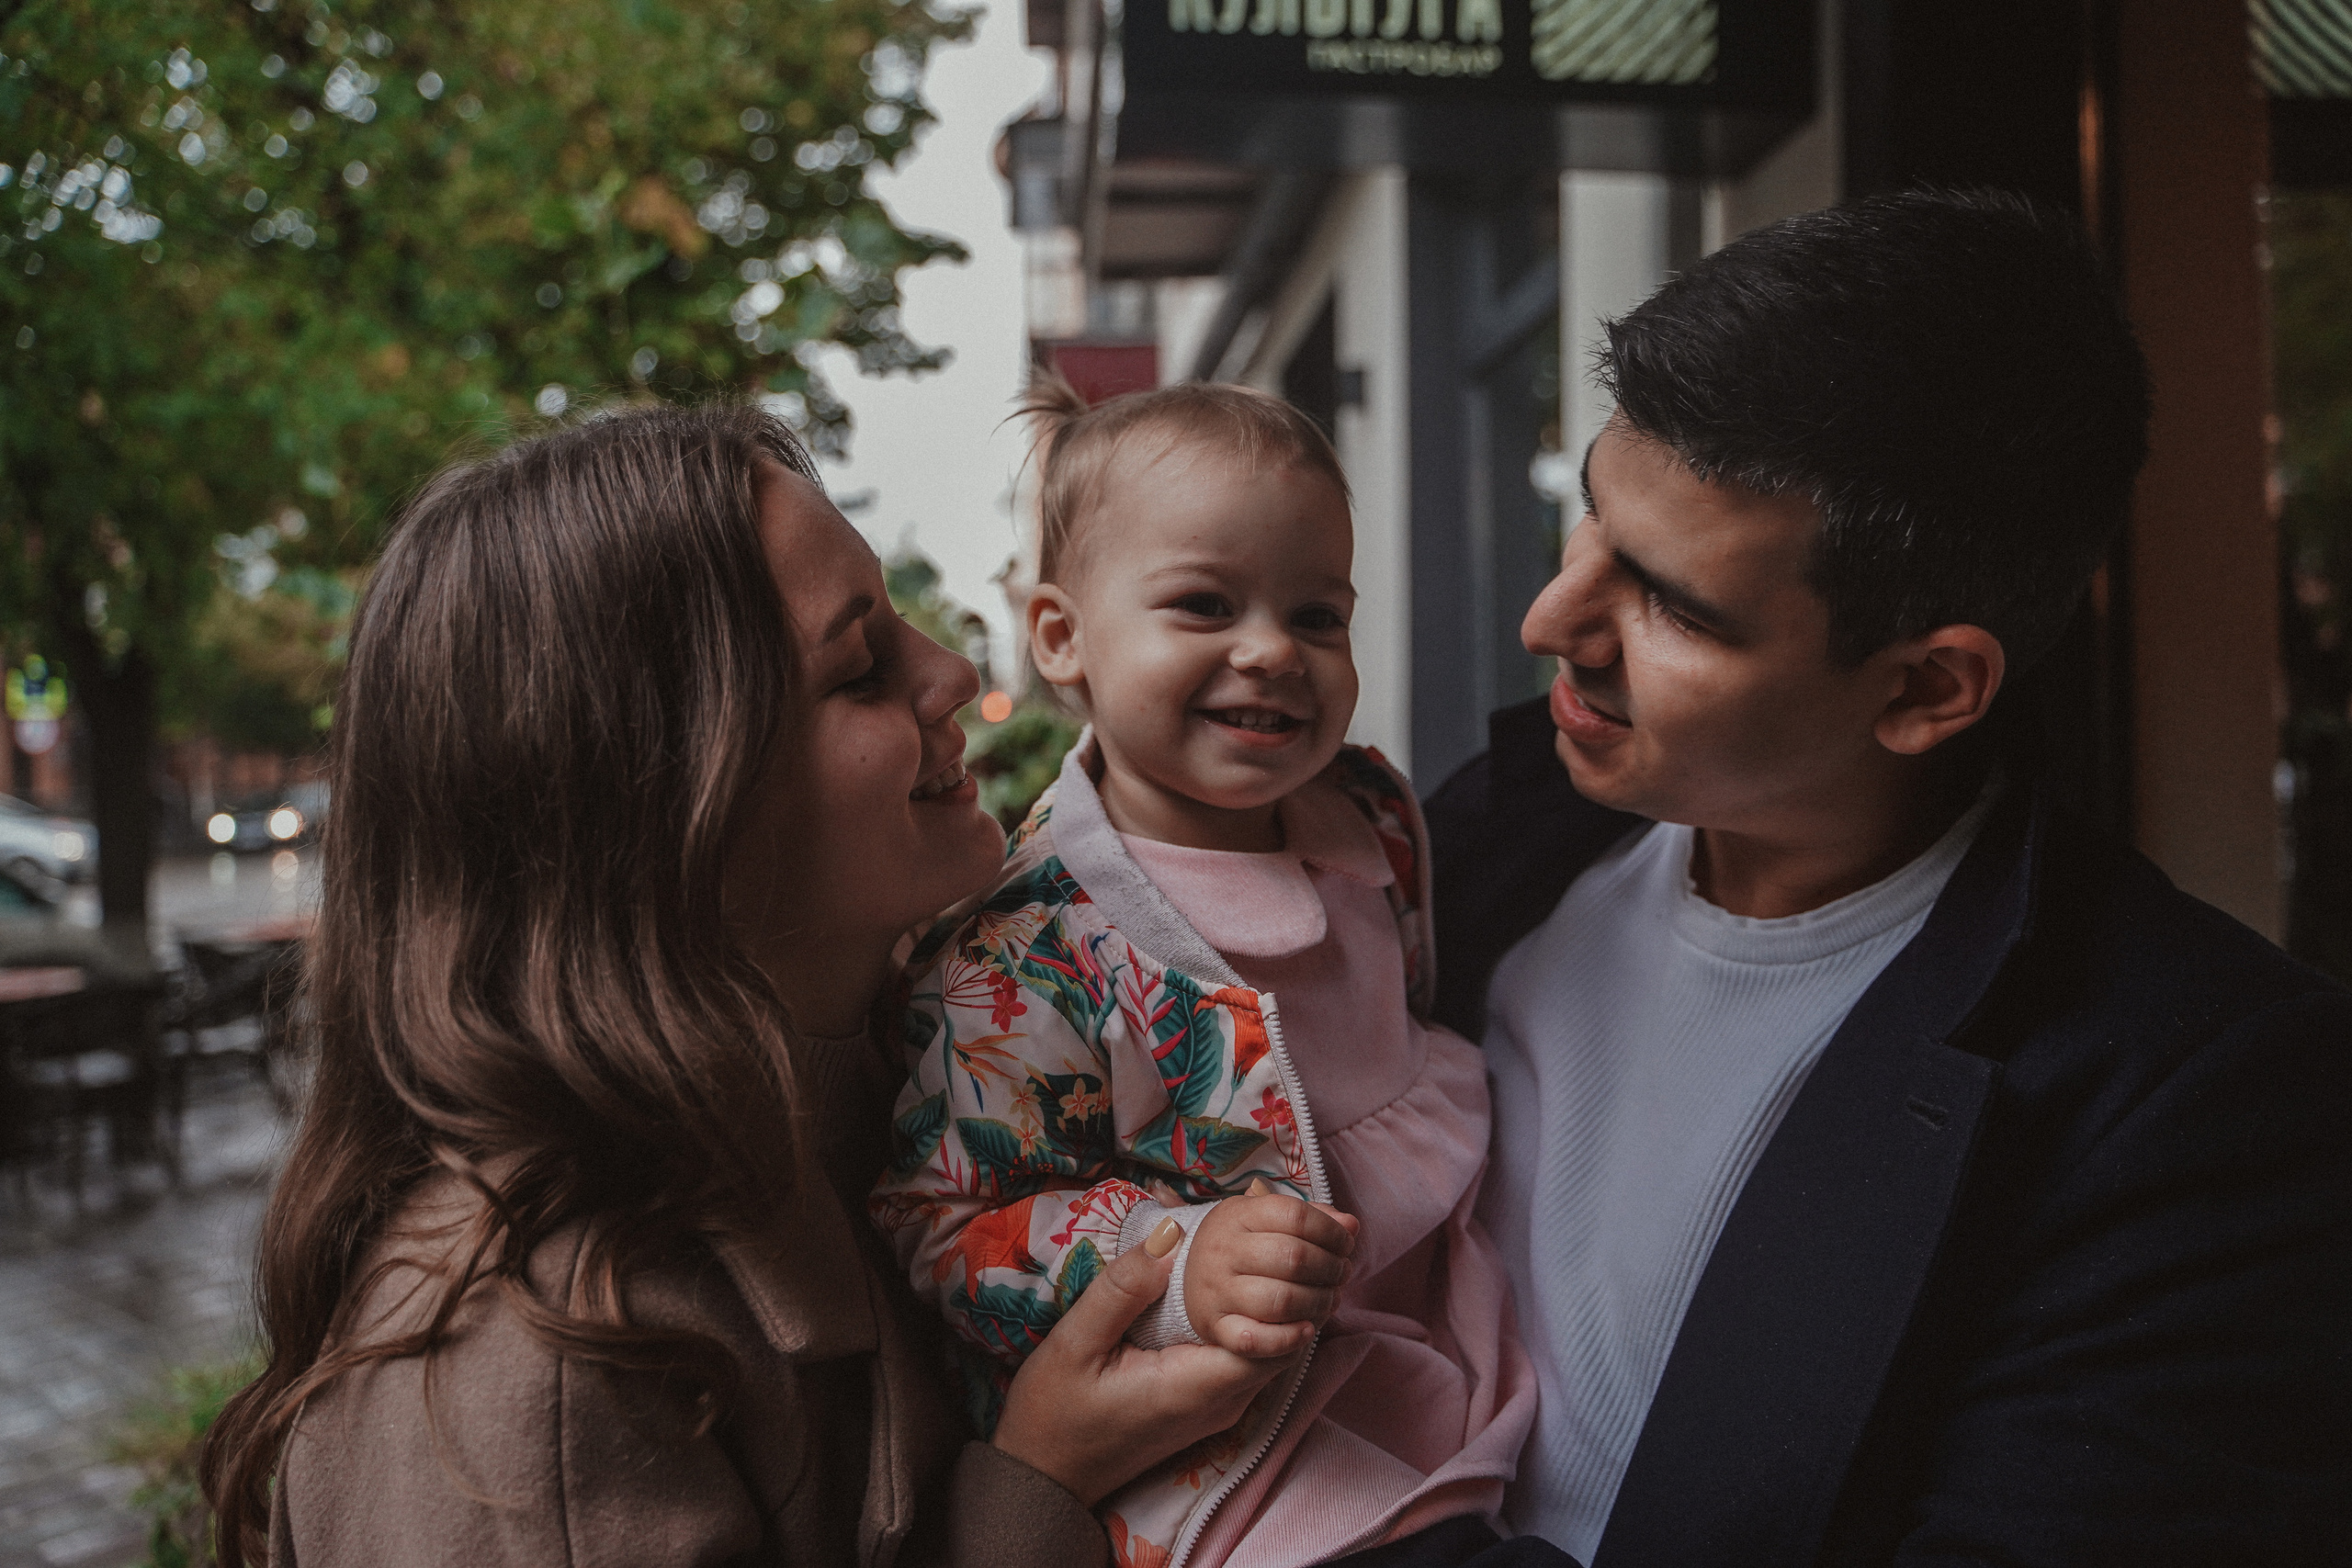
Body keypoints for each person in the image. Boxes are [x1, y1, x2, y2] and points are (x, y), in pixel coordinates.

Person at [198, 404, 1311, 1568]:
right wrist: (1040, 1479)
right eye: (860, 667)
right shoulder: (528, 1381)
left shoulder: (944, 1067)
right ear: (669, 802)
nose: (951, 672)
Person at [1426, 188, 2352, 1566]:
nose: (1552, 619)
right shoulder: (1498, 825)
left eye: (1673, 603)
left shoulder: (2204, 1100)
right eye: (1590, 517)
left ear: (1925, 687)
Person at [869, 380, 1549, 1568]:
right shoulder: (1032, 945)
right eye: (1203, 603)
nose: (1273, 649)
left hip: (1444, 1337)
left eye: (1318, 613)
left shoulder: (1372, 814)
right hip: (1239, 1453)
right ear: (1063, 636)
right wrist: (1177, 1259)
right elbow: (944, 1226)